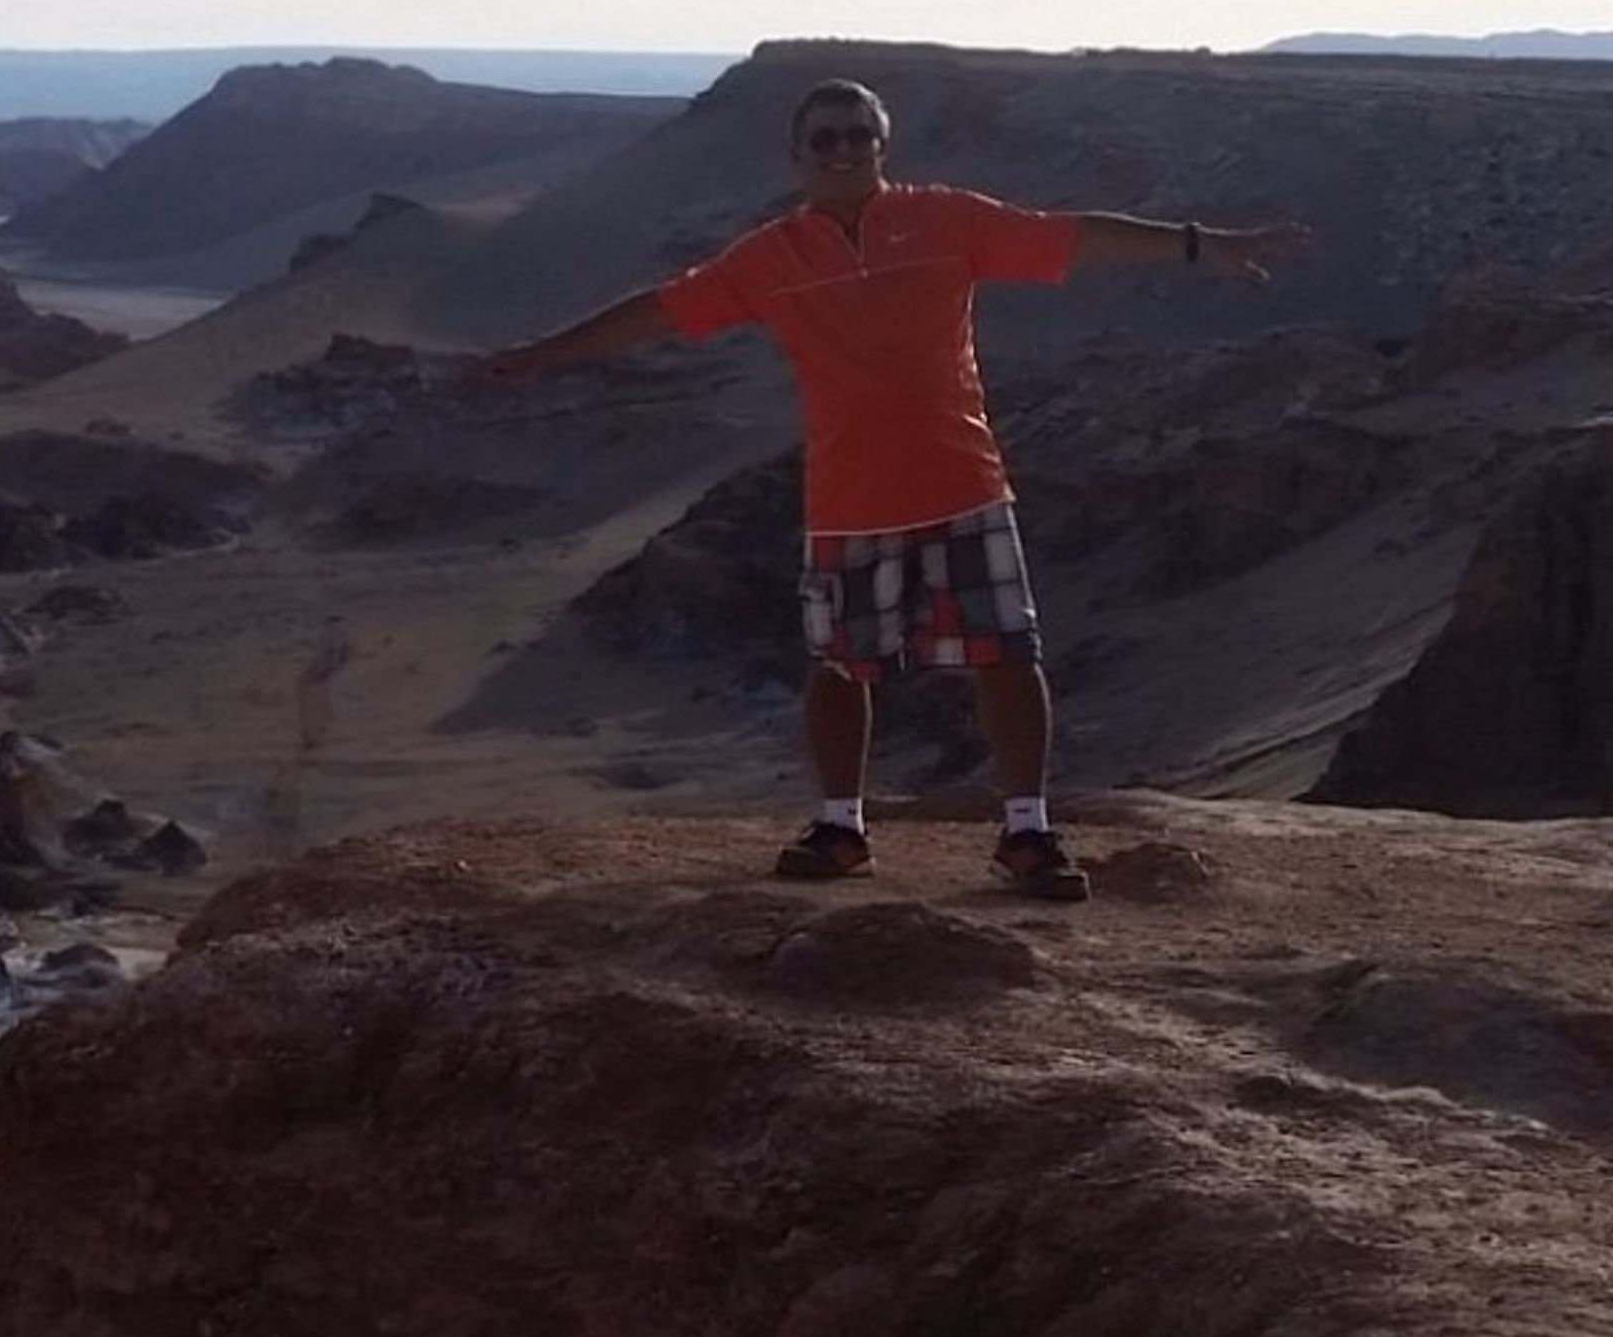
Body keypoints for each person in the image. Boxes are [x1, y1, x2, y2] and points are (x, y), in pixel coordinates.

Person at [482, 76, 1307, 900]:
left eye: (858, 135)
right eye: (826, 138)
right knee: (840, 666)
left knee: (1009, 657)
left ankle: (1027, 830)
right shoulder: (771, 258)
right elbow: (662, 311)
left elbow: (1071, 238)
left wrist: (1202, 244)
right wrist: (546, 354)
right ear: (797, 156)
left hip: (964, 484)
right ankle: (842, 826)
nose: (843, 150)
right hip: (851, 498)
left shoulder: (947, 220)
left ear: (883, 145)